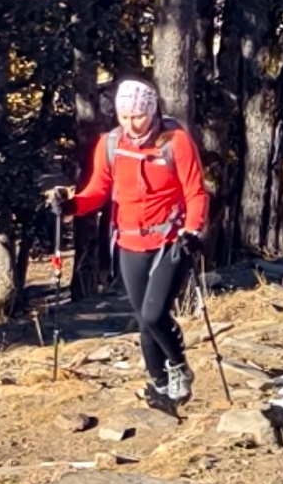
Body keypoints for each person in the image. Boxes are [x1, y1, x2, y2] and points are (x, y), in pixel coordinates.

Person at [62, 78, 209, 409]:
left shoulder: (175, 142)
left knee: (155, 314)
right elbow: (97, 191)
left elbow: (195, 192)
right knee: (143, 321)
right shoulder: (111, 144)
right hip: (129, 241)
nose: (131, 123)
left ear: (152, 110)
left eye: (138, 116)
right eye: (124, 116)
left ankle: (179, 368)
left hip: (171, 239)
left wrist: (192, 230)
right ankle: (159, 387)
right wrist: (72, 206)